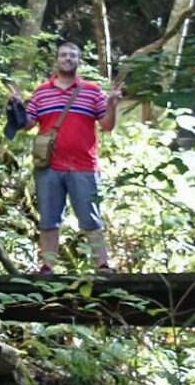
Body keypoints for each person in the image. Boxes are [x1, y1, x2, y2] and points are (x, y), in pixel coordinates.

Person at [8, 42, 118, 274]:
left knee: (90, 217)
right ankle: (48, 266)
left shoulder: (92, 91)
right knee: (49, 218)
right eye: (63, 55)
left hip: (84, 166)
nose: (68, 58)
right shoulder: (42, 92)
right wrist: (17, 106)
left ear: (79, 61)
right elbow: (28, 125)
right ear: (57, 61)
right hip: (49, 165)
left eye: (72, 55)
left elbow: (107, 125)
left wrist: (112, 105)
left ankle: (102, 265)